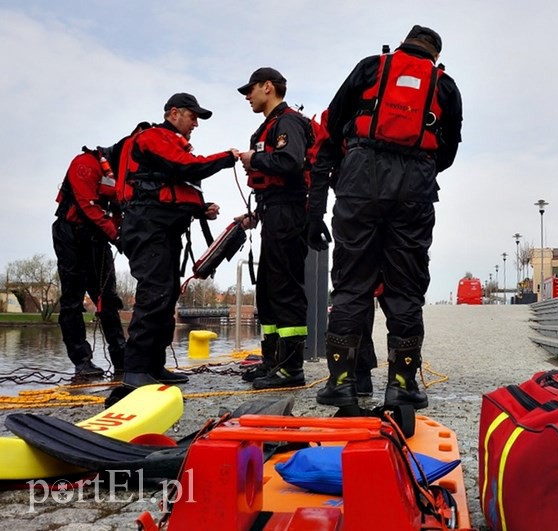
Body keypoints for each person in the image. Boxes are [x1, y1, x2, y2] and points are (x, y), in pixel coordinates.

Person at [308, 25, 463, 409]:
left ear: (401, 45)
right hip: (415, 186)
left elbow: (333, 125)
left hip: (360, 178)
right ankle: (402, 385)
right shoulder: (445, 86)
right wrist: (418, 166)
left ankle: (342, 383)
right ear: (435, 57)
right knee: (406, 288)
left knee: (351, 285)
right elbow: (448, 150)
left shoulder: (370, 68)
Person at [117, 93, 239, 389]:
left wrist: (199, 208)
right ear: (174, 113)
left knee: (167, 293)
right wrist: (228, 157)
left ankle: (154, 366)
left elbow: (170, 184)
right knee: (155, 292)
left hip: (162, 228)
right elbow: (185, 167)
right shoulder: (154, 137)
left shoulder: (168, 142)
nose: (196, 123)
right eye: (193, 116)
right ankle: (134, 371)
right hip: (147, 227)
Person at [52, 124, 147, 378]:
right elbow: (87, 206)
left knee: (107, 298)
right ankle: (81, 360)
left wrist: (126, 234)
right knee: (72, 299)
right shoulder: (85, 163)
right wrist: (117, 236)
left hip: (97, 240)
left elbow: (120, 210)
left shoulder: (122, 177)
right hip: (70, 235)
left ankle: (121, 357)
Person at [237, 68, 311, 390]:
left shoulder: (288, 122)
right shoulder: (269, 125)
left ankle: (291, 368)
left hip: (290, 213)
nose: (247, 96)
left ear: (268, 87)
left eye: (250, 90)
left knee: (285, 289)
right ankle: (272, 361)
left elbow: (291, 162)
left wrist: (255, 158)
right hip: (272, 211)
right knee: (267, 291)